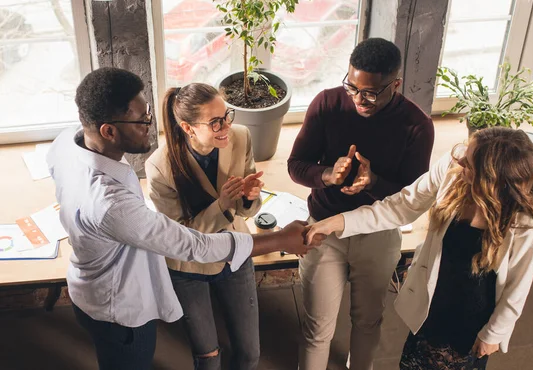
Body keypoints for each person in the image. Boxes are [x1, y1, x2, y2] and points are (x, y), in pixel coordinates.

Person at [46, 67, 324, 370]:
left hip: (94, 288)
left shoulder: (66, 144)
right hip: (120, 310)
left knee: (248, 352)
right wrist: (280, 238)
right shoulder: (112, 202)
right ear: (108, 131)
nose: (150, 126)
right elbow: (193, 246)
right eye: (141, 121)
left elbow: (241, 211)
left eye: (148, 113)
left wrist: (245, 198)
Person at [306, 127, 533, 369]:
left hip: (472, 316)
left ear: (491, 181)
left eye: (469, 163)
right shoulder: (453, 170)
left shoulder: (524, 225)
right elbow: (402, 205)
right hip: (433, 300)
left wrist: (493, 334)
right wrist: (339, 222)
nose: (459, 161)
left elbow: (517, 287)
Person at [288, 37, 435, 370]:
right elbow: (296, 165)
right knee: (317, 328)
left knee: (368, 321)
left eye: (370, 93)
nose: (358, 98)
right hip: (324, 229)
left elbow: (413, 197)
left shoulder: (417, 126)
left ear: (395, 85)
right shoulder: (327, 104)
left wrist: (375, 183)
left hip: (378, 234)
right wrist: (327, 174)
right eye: (352, 87)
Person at [145, 83, 263, 370]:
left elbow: (247, 210)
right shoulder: (160, 167)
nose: (226, 126)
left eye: (227, 115)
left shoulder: (241, 137)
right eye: (215, 122)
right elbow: (180, 237)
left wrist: (250, 197)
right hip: (189, 268)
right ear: (188, 128)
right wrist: (222, 204)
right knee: (208, 359)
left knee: (250, 355)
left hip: (233, 255)